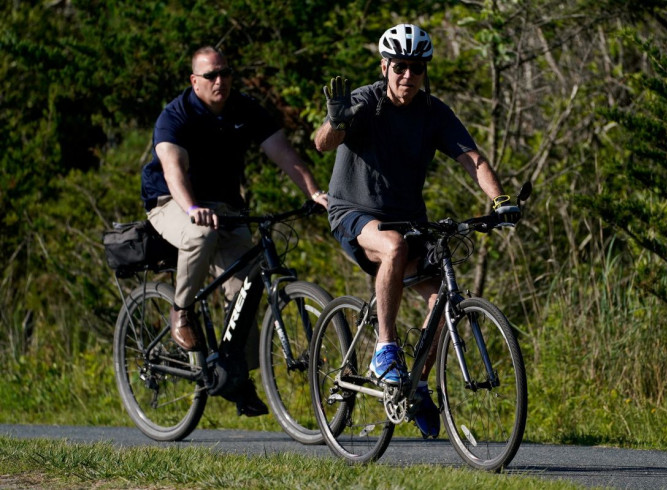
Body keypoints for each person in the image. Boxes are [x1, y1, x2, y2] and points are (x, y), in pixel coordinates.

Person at [314, 24, 518, 438]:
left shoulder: (432, 112)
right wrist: (336, 122)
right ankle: (385, 350)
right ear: (385, 66)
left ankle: (417, 385)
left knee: (442, 298)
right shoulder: (365, 101)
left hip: (409, 220)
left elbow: (472, 159)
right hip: (353, 212)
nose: (408, 76)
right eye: (400, 67)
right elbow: (322, 143)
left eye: (417, 68)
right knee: (393, 247)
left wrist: (500, 201)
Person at [141, 46, 328, 416]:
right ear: (194, 81)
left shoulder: (245, 109)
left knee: (247, 282)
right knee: (200, 236)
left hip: (225, 207)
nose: (220, 81)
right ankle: (181, 311)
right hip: (170, 202)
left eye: (225, 73)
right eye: (210, 75)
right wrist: (192, 209)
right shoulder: (175, 115)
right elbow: (172, 170)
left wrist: (313, 192)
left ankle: (236, 376)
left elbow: (284, 153)